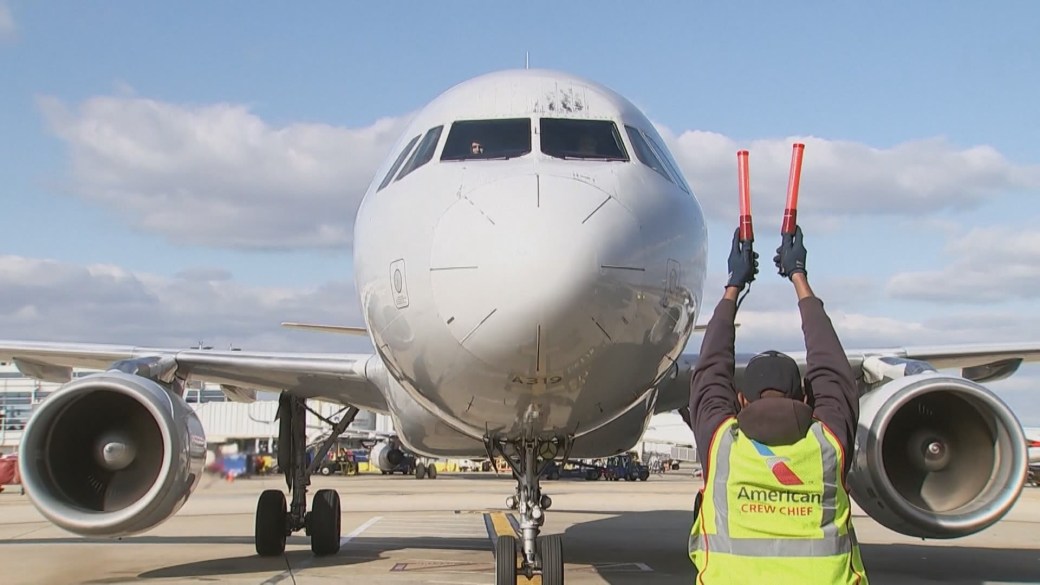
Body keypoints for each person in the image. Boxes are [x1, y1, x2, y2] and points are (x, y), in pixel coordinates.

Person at [687, 227, 868, 584]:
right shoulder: (827, 447)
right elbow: (833, 370)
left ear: (740, 401)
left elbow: (708, 371)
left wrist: (732, 287)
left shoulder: (723, 446)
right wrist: (797, 276)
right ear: (804, 397)